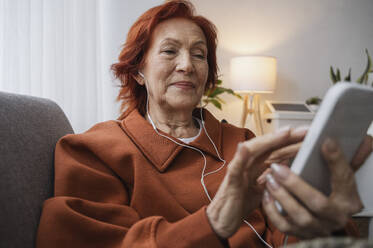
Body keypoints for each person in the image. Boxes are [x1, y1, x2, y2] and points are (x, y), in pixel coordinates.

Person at [36, 1, 373, 247]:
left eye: (199, 55)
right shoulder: (92, 151)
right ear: (137, 71)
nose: (187, 65)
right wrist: (213, 221)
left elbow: (282, 234)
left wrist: (319, 221)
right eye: (169, 52)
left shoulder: (243, 140)